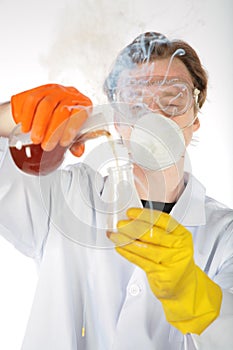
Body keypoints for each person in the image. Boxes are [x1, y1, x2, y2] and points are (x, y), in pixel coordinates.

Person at [0, 31, 233, 350]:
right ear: (115, 121)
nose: (155, 116)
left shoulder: (227, 234)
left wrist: (195, 295)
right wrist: (10, 120)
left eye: (173, 99)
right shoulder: (65, 196)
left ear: (195, 118)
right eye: (135, 104)